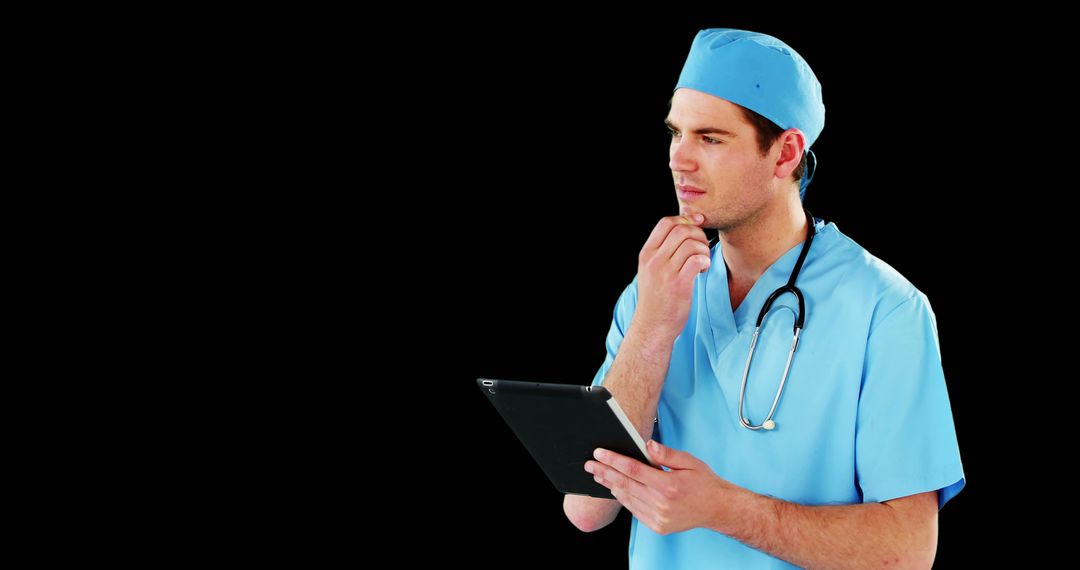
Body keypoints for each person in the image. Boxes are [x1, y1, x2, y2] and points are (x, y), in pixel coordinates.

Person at [562, 28, 964, 568]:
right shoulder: (652, 292)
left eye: (710, 138)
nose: (679, 160)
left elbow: (908, 550)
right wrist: (653, 329)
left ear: (785, 152)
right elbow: (588, 508)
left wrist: (723, 509)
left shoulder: (885, 310)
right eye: (675, 133)